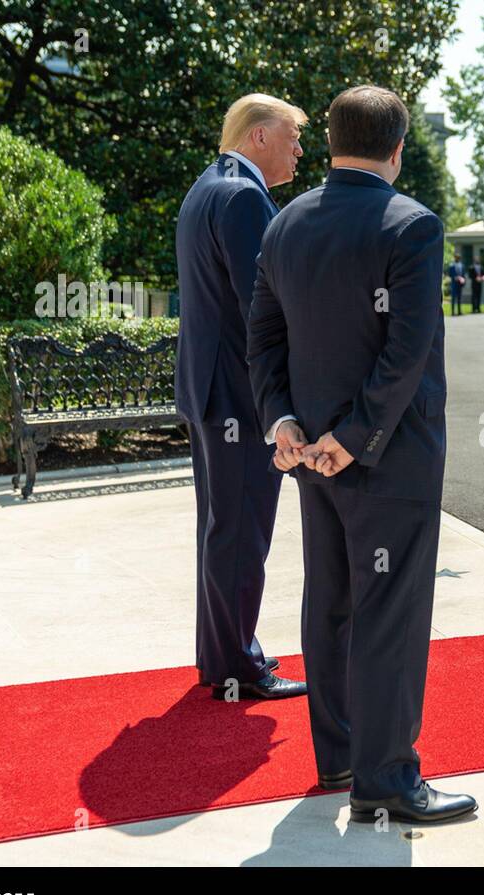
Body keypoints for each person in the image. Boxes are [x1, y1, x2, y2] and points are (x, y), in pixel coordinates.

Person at [246, 85, 476, 823]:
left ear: (335, 140)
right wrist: (356, 436)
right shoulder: (411, 225)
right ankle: (387, 779)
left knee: (334, 600)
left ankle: (341, 754)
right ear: (397, 147)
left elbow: (264, 339)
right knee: (391, 612)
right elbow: (407, 350)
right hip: (389, 456)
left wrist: (283, 421)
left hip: (310, 452)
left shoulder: (286, 224)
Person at [175, 92, 308, 701]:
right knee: (240, 533)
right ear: (259, 137)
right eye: (292, 137)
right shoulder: (244, 196)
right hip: (239, 397)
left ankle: (221, 653)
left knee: (222, 526)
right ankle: (236, 666)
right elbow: (264, 308)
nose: (301, 149)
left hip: (212, 390)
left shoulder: (209, 186)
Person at [446, 252, 466, 317]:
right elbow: (449, 274)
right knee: (453, 298)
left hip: (460, 284)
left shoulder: (462, 265)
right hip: (454, 283)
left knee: (459, 298)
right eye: (456, 257)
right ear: (455, 258)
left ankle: (459, 311)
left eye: (459, 257)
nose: (457, 258)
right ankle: (452, 312)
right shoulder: (452, 265)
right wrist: (455, 277)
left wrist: (463, 280)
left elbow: (463, 274)